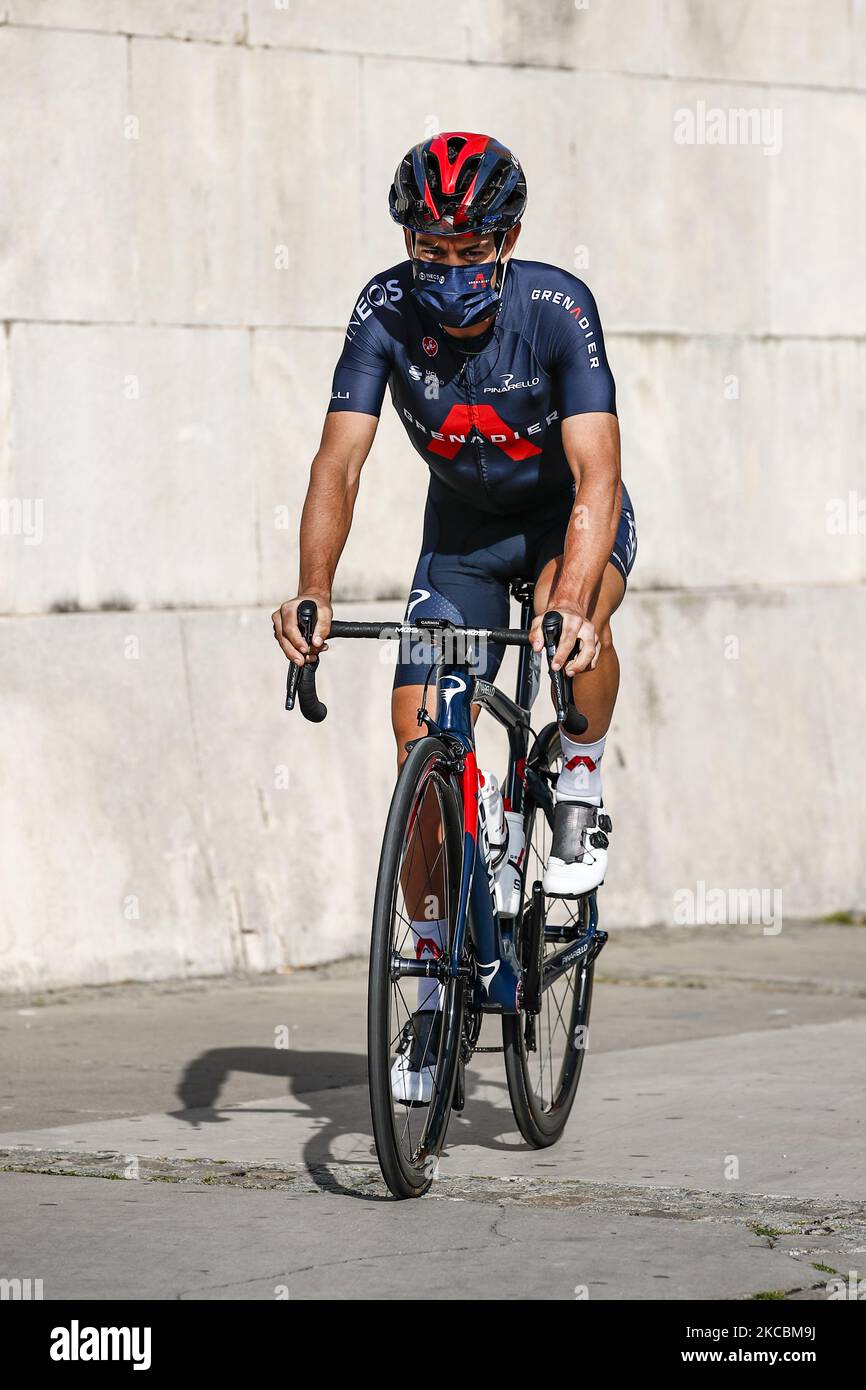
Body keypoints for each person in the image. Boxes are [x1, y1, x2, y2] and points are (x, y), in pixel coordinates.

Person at [272, 132, 636, 1101]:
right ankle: (433, 988)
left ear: (507, 241)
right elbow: (337, 461)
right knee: (414, 735)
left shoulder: (556, 307)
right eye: (427, 253)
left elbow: (597, 473)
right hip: (464, 541)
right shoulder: (381, 311)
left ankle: (579, 780)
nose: (445, 274)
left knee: (577, 625)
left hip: (566, 524)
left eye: (468, 254)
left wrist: (568, 601)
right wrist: (314, 584)